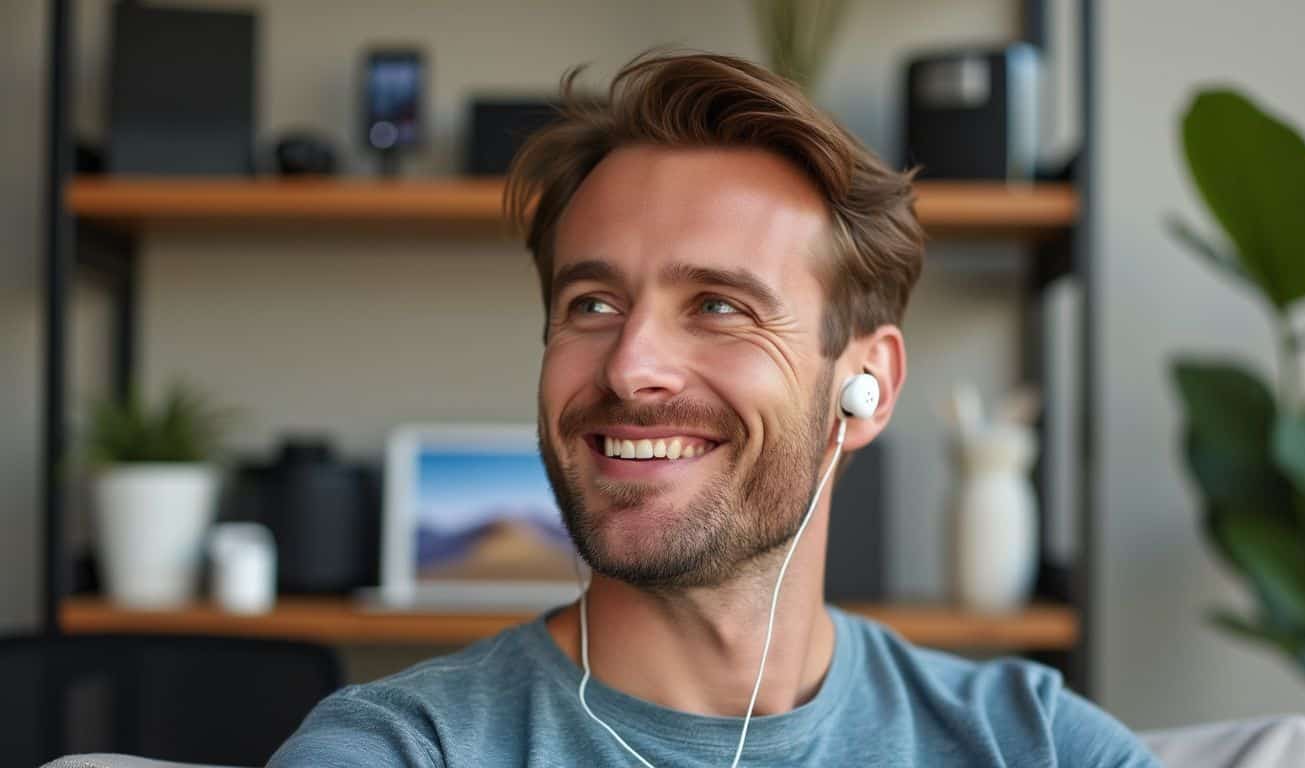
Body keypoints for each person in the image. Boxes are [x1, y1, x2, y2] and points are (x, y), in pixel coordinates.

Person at [269, 50, 1159, 767]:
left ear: (868, 387)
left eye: (719, 306)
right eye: (592, 305)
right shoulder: (403, 748)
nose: (631, 368)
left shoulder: (1032, 742)